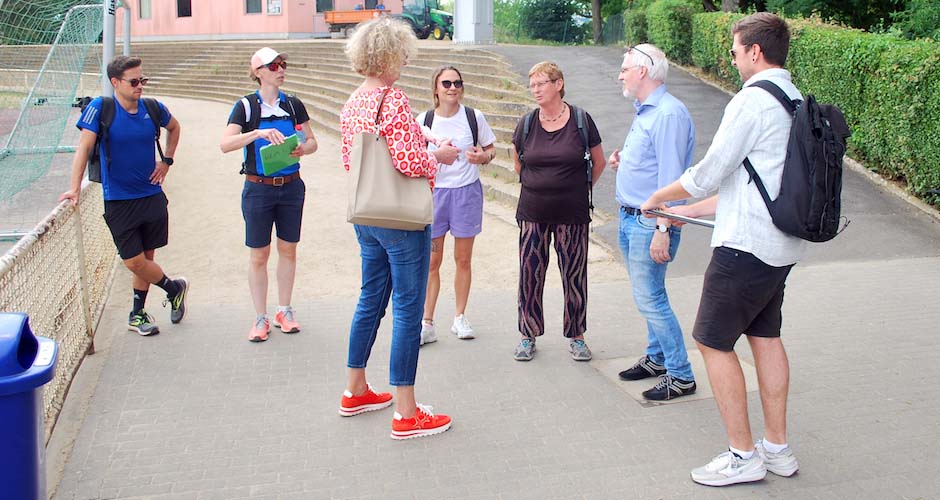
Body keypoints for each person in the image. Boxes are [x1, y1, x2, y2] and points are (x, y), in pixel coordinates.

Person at [640, 12, 804, 486]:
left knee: (711, 341)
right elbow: (750, 182)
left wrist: (659, 198)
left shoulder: (752, 101)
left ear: (755, 52)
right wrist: (686, 212)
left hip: (745, 247)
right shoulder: (793, 98)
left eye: (735, 52)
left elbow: (709, 172)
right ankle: (777, 448)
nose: (732, 60)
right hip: (779, 244)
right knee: (766, 337)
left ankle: (742, 454)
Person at [339, 17, 459, 440]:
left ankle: (355, 388)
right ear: (393, 55)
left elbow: (357, 159)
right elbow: (409, 163)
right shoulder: (393, 99)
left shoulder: (355, 100)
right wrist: (439, 156)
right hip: (401, 220)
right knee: (409, 308)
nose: (405, 62)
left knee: (371, 298)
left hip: (367, 214)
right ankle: (406, 412)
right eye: (403, 55)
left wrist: (419, 140)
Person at [59, 55, 187, 337]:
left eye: (143, 79)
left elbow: (175, 128)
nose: (140, 85)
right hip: (118, 199)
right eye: (134, 81)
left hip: (151, 195)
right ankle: (174, 287)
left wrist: (166, 161)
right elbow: (83, 148)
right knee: (134, 261)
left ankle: (137, 314)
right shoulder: (100, 109)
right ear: (115, 83)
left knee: (147, 257)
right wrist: (73, 186)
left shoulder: (153, 108)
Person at [609, 44, 697, 401]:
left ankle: (681, 374)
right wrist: (624, 160)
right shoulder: (646, 111)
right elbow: (652, 163)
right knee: (648, 295)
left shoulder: (668, 114)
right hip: (631, 217)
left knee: (651, 299)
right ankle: (657, 358)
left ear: (643, 71)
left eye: (625, 68)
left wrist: (664, 228)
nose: (620, 74)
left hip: (651, 224)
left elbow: (672, 178)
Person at [220, 47, 318, 343]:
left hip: (291, 186)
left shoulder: (293, 104)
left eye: (283, 64)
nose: (280, 69)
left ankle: (284, 310)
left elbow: (311, 141)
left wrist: (302, 147)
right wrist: (257, 134)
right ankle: (260, 317)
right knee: (259, 254)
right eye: (274, 65)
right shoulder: (246, 107)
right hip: (258, 189)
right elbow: (225, 144)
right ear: (258, 72)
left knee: (289, 249)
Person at [510, 61, 606, 362]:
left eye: (541, 83)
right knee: (530, 274)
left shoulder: (581, 119)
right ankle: (528, 335)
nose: (535, 90)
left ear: (558, 84)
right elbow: (518, 163)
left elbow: (599, 162)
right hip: (533, 212)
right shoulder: (526, 123)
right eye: (532, 85)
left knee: (574, 275)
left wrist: (574, 187)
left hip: (572, 214)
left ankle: (577, 336)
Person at [416, 66, 497, 345]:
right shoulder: (424, 120)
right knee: (431, 261)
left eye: (457, 83)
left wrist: (482, 157)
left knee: (463, 259)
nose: (453, 88)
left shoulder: (474, 117)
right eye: (447, 83)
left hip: (465, 194)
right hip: (434, 195)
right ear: (436, 88)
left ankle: (459, 317)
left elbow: (490, 149)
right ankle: (427, 321)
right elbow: (415, 158)